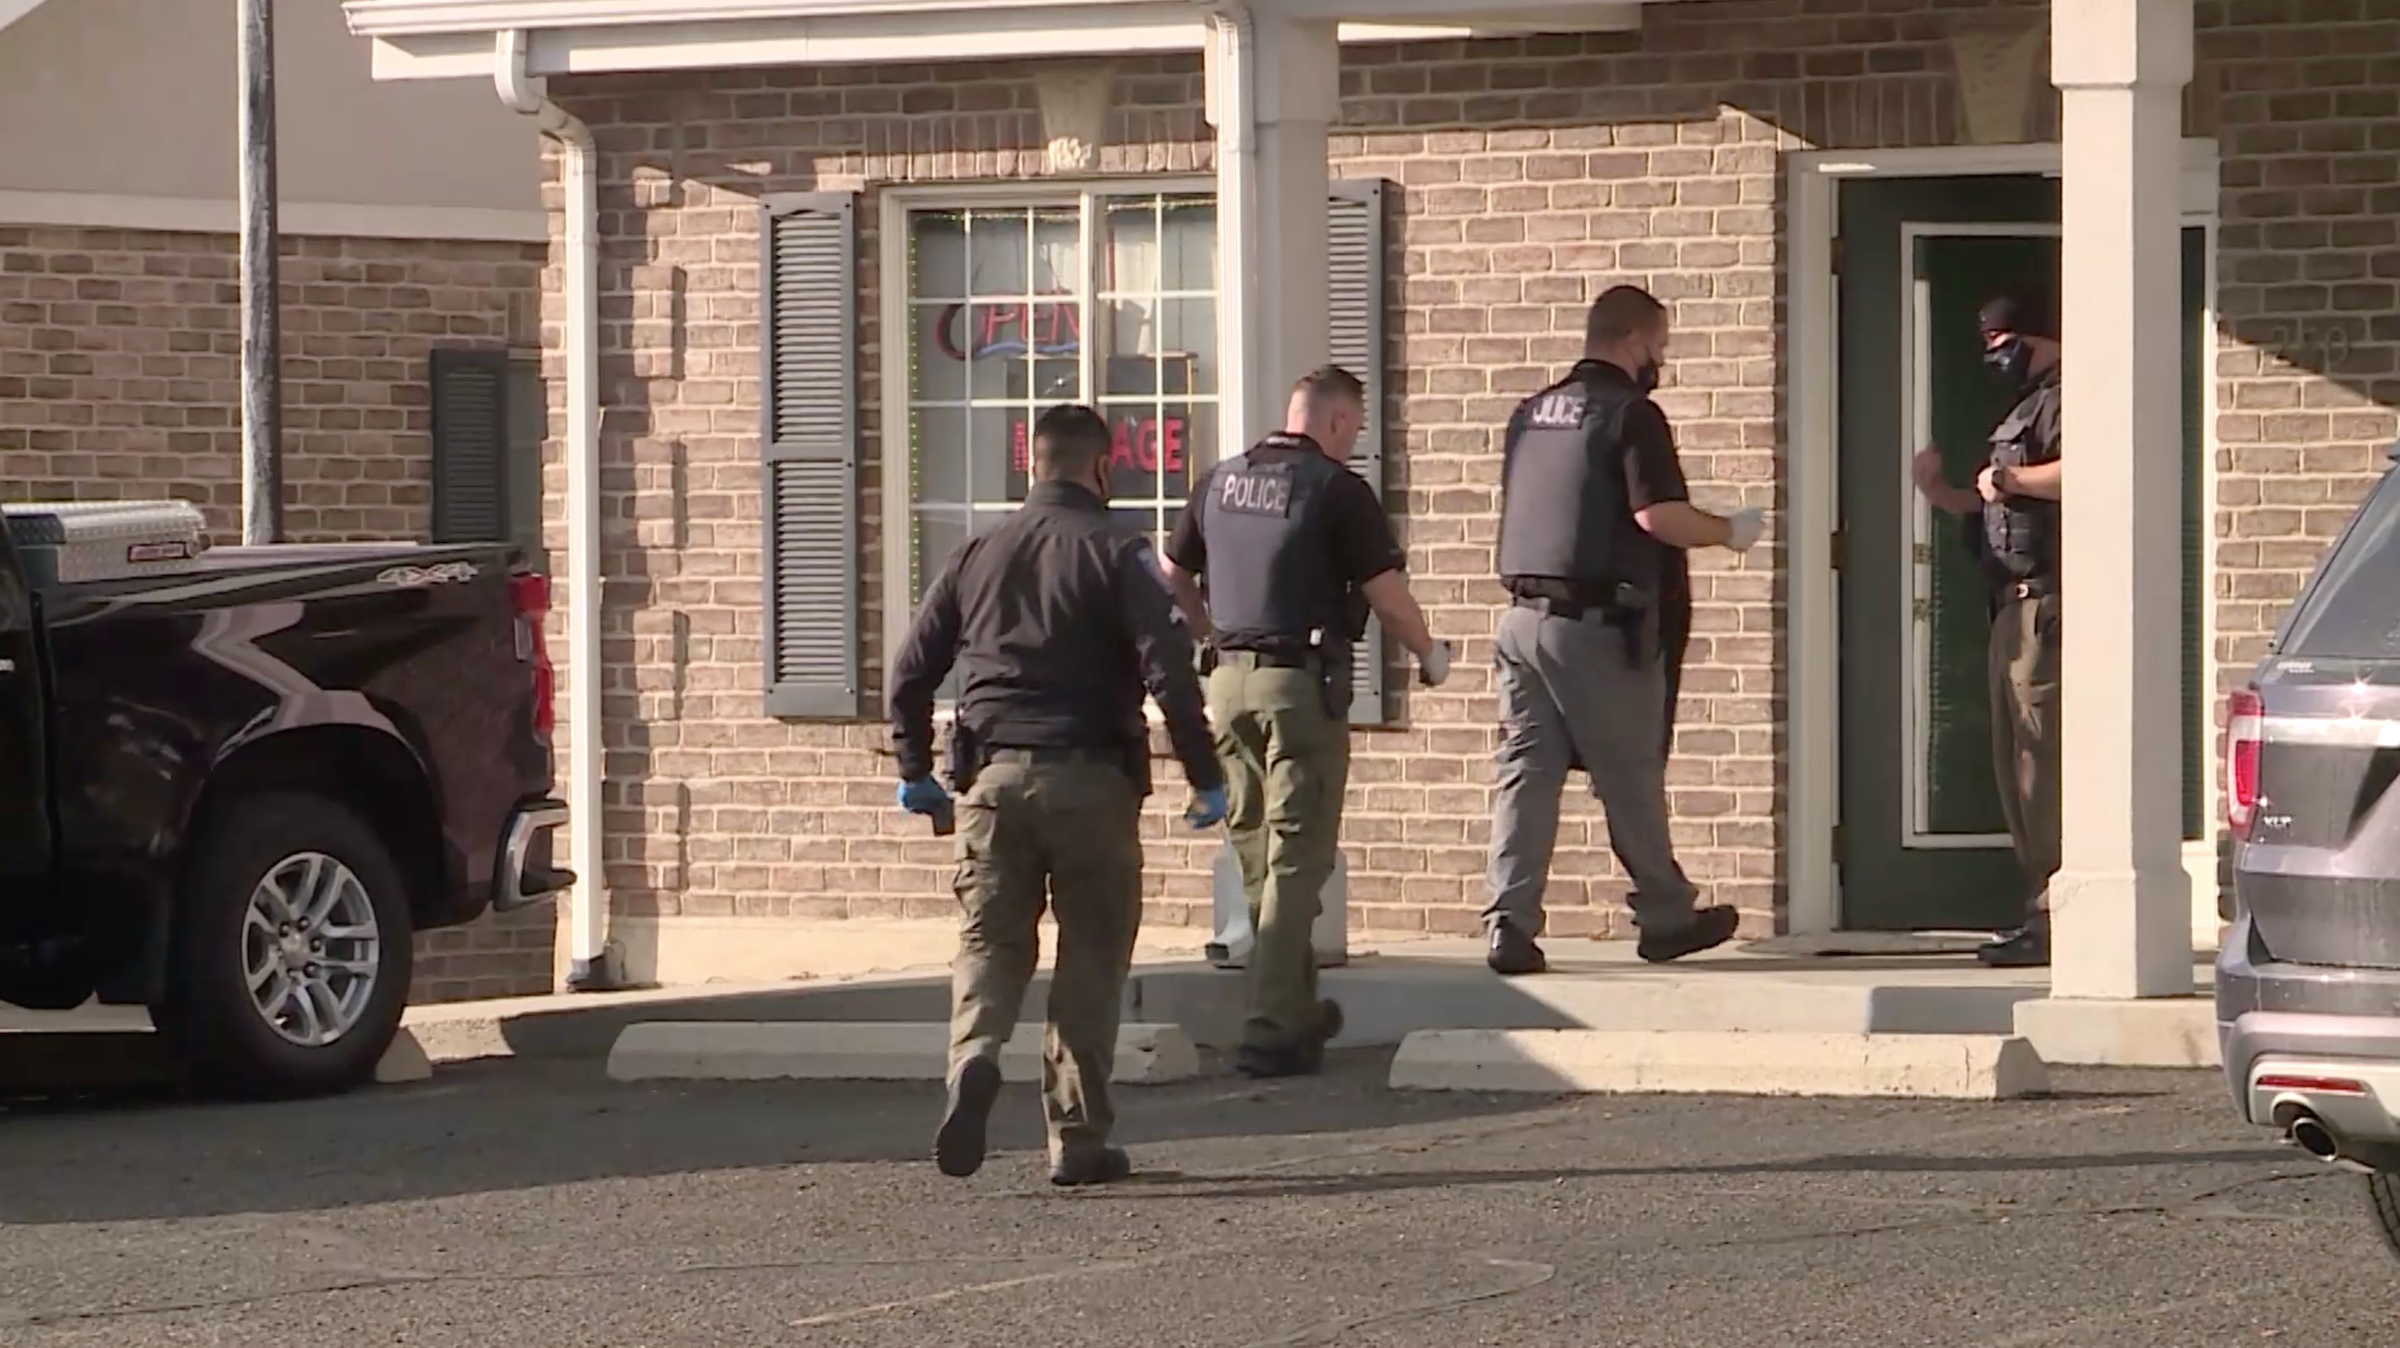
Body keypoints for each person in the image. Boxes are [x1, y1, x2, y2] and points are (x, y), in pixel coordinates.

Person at [889, 403, 1228, 1188]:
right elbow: (1167, 669)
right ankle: (1075, 1139)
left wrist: (914, 769)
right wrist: (1204, 775)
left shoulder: (976, 551)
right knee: (1091, 956)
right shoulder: (1119, 551)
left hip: (990, 780)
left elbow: (909, 673)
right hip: (1091, 780)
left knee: (990, 942)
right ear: (1102, 468)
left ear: (1033, 465)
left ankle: (973, 1058)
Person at [1158, 366, 1452, 1078]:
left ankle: (1294, 1011)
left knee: (1257, 852)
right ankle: (1267, 1026)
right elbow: (1386, 594)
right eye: (1353, 430)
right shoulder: (1336, 491)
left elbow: (1169, 570)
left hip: (1225, 686)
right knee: (1297, 855)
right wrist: (1429, 652)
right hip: (1297, 688)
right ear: (1339, 422)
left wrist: (1205, 630)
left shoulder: (1220, 480)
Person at [1482, 285, 1762, 977]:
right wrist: (1730, 532)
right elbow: (1657, 516)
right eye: (1659, 347)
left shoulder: (1531, 413)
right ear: (1635, 341)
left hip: (1521, 621)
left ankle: (1509, 924)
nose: (1660, 360)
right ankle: (1666, 915)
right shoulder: (1632, 415)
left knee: (1527, 774)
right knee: (1630, 773)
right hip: (1595, 627)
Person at [1912, 293, 2063, 969]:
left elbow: (2083, 472)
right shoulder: (2026, 405)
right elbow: (1996, 503)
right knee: (2015, 767)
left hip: (2048, 605)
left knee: (2044, 764)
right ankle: (2039, 903)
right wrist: (1943, 496)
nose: (1996, 355)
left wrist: (2010, 477)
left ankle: (2060, 913)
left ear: (2041, 336)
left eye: (2006, 341)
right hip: (2008, 605)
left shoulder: (2074, 395)